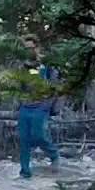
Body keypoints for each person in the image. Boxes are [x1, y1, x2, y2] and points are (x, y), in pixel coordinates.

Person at [17, 35, 62, 178]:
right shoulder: (22, 66)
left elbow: (55, 85)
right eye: (26, 49)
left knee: (38, 135)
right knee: (24, 139)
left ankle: (54, 154)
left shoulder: (47, 65)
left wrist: (49, 105)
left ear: (37, 47)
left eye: (31, 48)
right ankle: (25, 172)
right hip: (25, 106)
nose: (29, 51)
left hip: (41, 107)